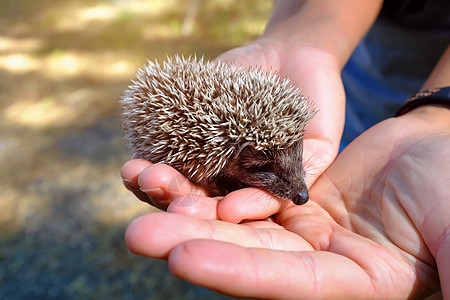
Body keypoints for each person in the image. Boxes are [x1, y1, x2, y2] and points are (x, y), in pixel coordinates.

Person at [121, 0, 450, 298]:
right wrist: (304, 36)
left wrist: (437, 117)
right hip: (368, 45)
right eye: (266, 169)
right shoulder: (211, 149)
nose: (300, 193)